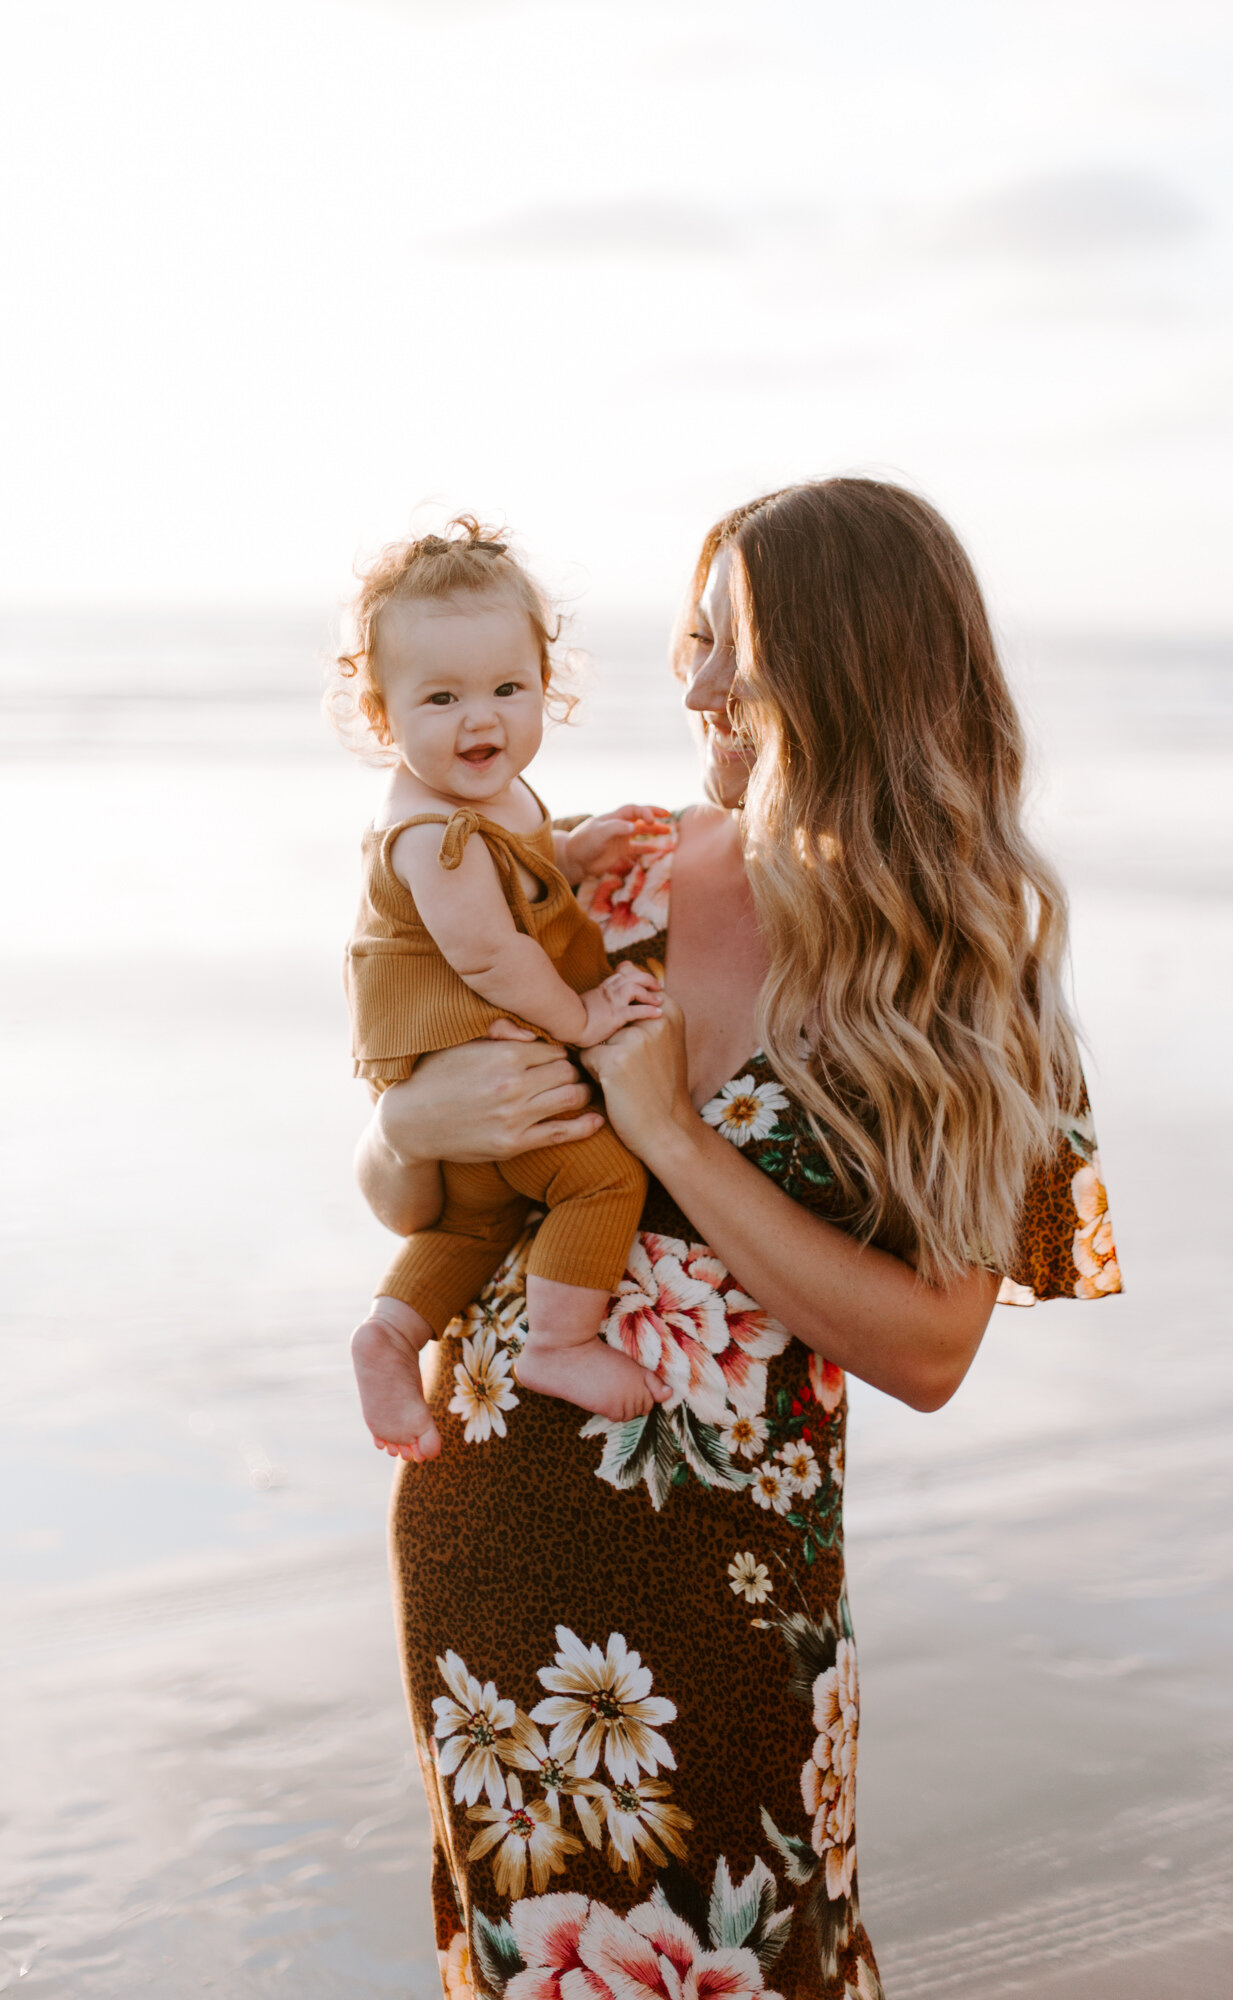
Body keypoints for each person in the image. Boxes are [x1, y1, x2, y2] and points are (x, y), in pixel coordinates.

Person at [354, 479, 1122, 1999]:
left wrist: (673, 1139)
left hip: (728, 1597)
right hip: (484, 1544)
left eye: (736, 655)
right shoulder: (597, 868)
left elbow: (930, 1350)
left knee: (754, 1961)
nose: (692, 687)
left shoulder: (963, 974)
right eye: (690, 641)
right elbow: (410, 1195)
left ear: (853, 671)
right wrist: (409, 1131)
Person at [332, 519, 671, 1459]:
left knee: (477, 1225)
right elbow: (490, 956)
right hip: (483, 1063)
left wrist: (568, 850)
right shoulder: (427, 835)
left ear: (543, 686)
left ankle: (389, 1334)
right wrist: (584, 1014)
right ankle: (557, 1344)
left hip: (470, 1099)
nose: (480, 719)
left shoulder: (485, 797)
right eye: (440, 697)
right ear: (380, 714)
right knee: (601, 1179)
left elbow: (517, 868)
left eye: (506, 689)